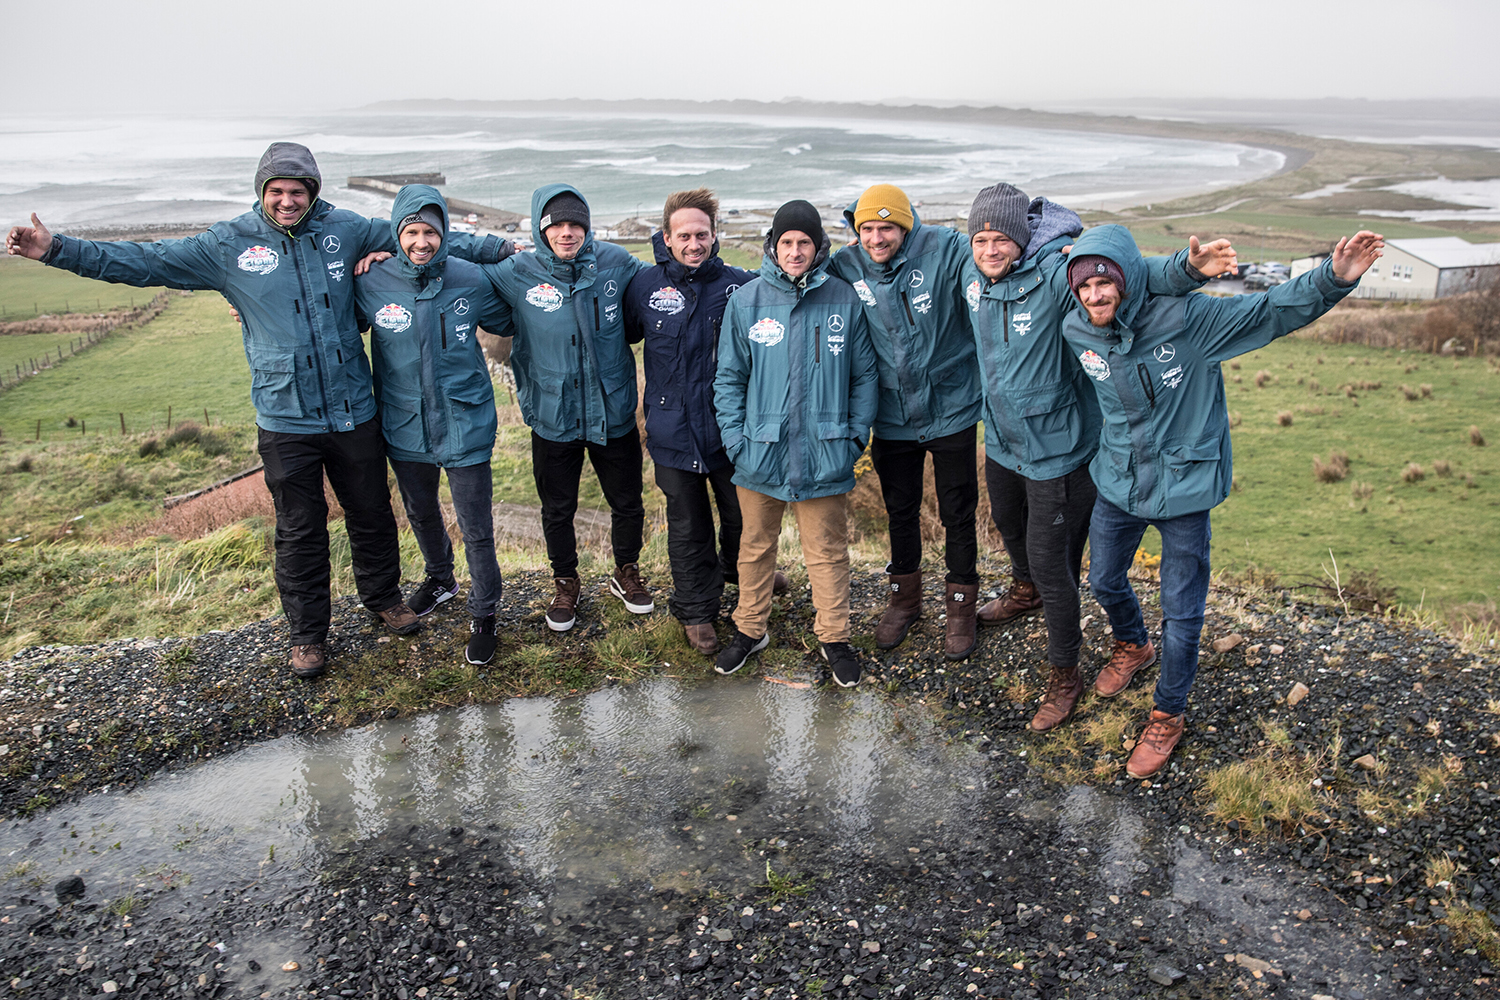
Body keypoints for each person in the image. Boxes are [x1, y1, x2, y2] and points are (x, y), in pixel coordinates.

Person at [3, 143, 512, 679]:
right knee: (299, 527)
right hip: (285, 414)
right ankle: (309, 635)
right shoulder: (228, 245)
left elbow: (429, 237)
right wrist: (55, 248)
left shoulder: (348, 231)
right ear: (261, 192)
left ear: (313, 194)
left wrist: (508, 247)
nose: (288, 201)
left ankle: (384, 600)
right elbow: (145, 260)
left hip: (354, 408)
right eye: (277, 192)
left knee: (372, 514)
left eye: (299, 192)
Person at [1059, 223, 1382, 778]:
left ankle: (1168, 714)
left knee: (1182, 615)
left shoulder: (1189, 320)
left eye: (1105, 283)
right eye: (1084, 286)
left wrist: (1333, 279)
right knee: (1104, 581)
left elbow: (1271, 311)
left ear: (1126, 283)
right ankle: (1133, 647)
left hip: (1184, 486)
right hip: (1118, 480)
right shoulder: (1077, 329)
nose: (1095, 296)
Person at [963, 182, 1237, 733]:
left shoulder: (1057, 279)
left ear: (1021, 240)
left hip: (1060, 448)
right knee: (1010, 532)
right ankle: (1027, 592)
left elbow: (1121, 275)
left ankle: (1065, 676)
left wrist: (1187, 269)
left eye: (1001, 239)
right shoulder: (971, 275)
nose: (990, 250)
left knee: (1054, 563)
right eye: (980, 239)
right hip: (1003, 440)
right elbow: (899, 249)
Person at [713, 200, 878, 686]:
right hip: (759, 450)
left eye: (804, 242)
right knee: (755, 546)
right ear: (773, 245)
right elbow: (728, 379)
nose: (795, 251)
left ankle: (834, 636)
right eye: (786, 242)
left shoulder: (844, 301)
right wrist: (736, 441)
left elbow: (864, 376)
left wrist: (853, 437)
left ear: (818, 246)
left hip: (827, 449)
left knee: (827, 550)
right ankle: (749, 629)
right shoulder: (747, 301)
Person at [623, 188, 787, 657]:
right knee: (688, 525)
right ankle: (696, 611)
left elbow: (793, 285)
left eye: (701, 234)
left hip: (730, 433)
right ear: (667, 238)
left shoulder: (742, 285)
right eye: (684, 236)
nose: (693, 243)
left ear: (715, 236)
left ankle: (742, 572)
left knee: (743, 518)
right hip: (672, 432)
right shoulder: (644, 286)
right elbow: (623, 334)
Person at [479, 184, 649, 631]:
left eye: (577, 225)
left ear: (587, 228)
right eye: (557, 225)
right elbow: (452, 266)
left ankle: (626, 572)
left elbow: (664, 279)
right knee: (557, 508)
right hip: (553, 412)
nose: (568, 233)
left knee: (628, 501)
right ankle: (566, 581)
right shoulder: (517, 269)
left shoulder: (616, 262)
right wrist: (491, 243)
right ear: (541, 229)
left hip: (612, 409)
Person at [827, 184, 984, 661]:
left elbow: (994, 240)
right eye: (868, 229)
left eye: (887, 227)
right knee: (901, 509)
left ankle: (960, 606)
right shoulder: (844, 265)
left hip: (951, 406)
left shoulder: (945, 248)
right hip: (891, 415)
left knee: (958, 510)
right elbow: (793, 274)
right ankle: (905, 599)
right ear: (856, 231)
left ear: (906, 225)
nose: (877, 238)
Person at [354, 185, 509, 665]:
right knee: (420, 513)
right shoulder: (371, 281)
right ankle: (441, 579)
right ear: (398, 233)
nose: (422, 242)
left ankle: (485, 613)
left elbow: (513, 318)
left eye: (431, 232)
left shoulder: (471, 279)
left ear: (445, 233)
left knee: (475, 525)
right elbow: (328, 314)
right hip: (404, 422)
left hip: (465, 420)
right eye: (411, 232)